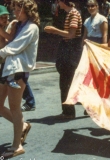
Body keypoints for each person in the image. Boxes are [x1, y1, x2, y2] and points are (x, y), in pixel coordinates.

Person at [0, 0, 40, 158]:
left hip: (18, 70)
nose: (15, 12)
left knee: (15, 108)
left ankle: (17, 146)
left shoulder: (31, 27)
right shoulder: (18, 25)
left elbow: (15, 46)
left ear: (28, 11)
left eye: (19, 9)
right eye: (14, 8)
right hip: (7, 68)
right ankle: (22, 126)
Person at [44, 0, 82, 120]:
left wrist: (54, 30)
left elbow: (71, 34)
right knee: (65, 81)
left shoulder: (73, 14)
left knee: (66, 82)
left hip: (71, 49)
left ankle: (69, 111)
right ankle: (67, 110)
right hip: (67, 48)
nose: (57, 3)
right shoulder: (68, 13)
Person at [0, 5, 20, 89]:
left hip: (3, 54)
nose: (5, 20)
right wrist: (14, 28)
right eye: (2, 17)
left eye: (6, 17)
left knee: (4, 74)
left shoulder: (3, 26)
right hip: (1, 54)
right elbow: (10, 37)